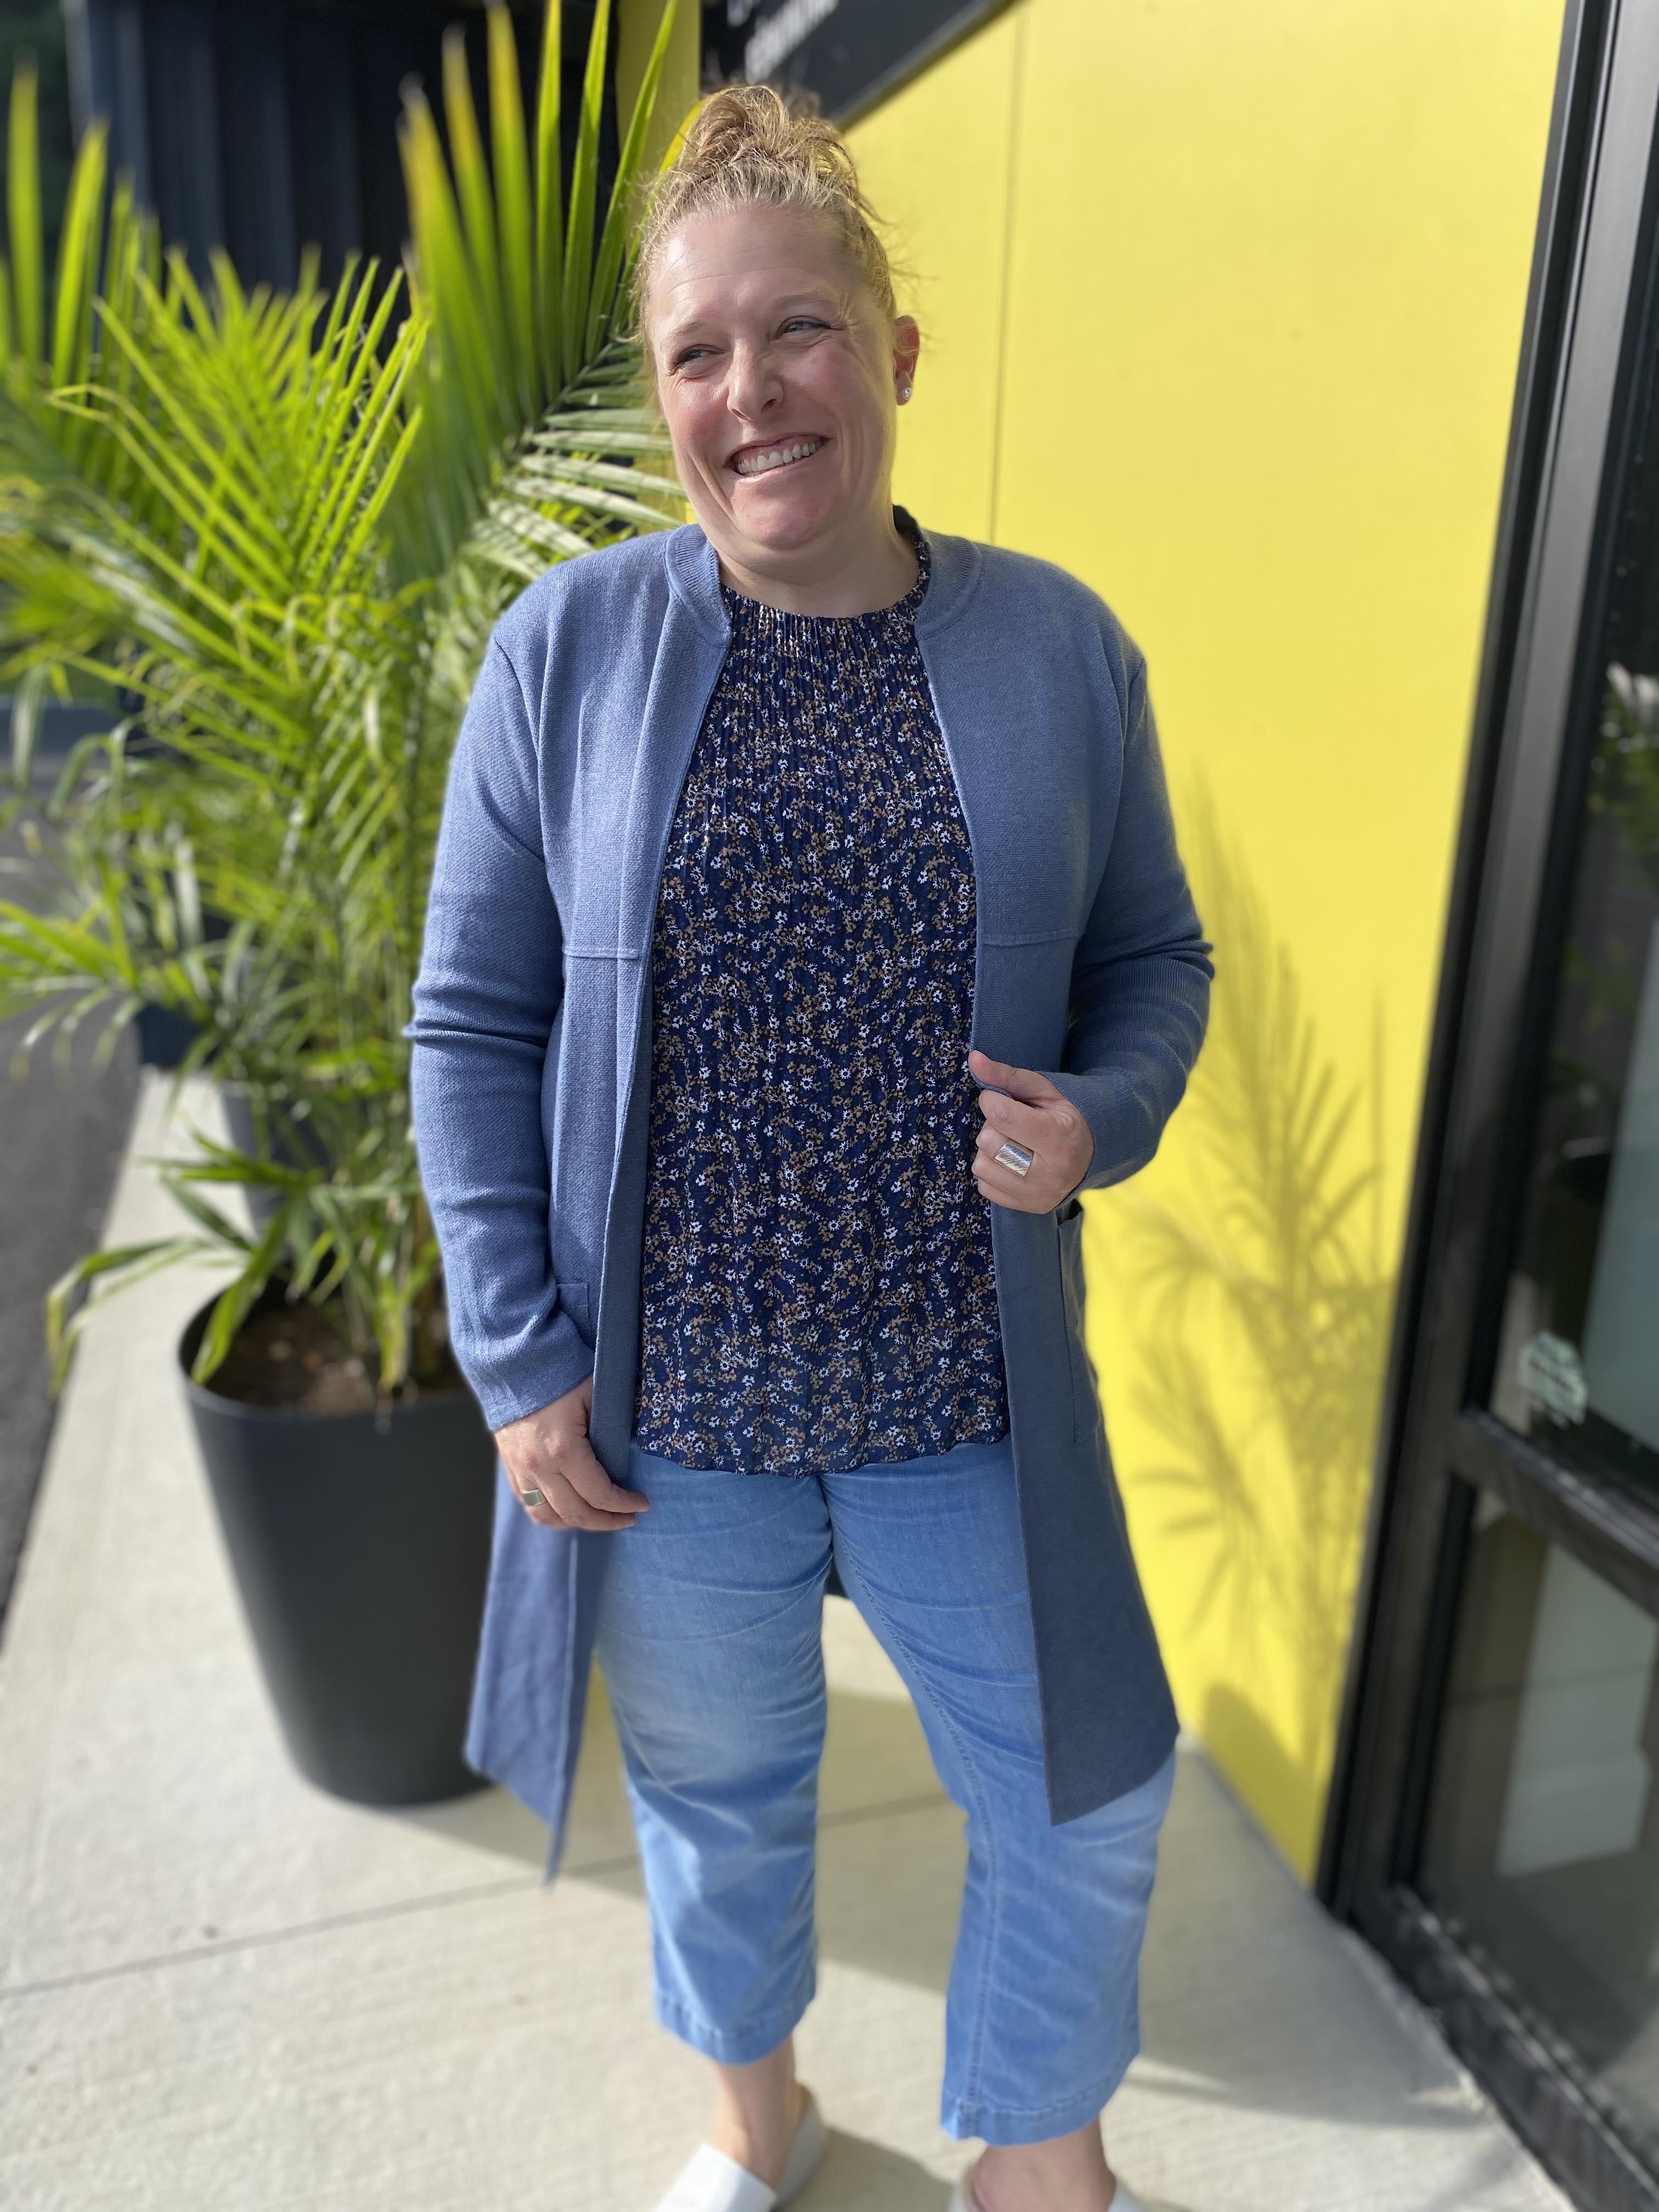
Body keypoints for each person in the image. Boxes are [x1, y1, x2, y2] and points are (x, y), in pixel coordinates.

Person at [408, 84, 1212, 2212]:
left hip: (967, 1400)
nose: (750, 390)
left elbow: (1157, 958)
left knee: (1084, 1791)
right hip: (675, 1426)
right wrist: (518, 1357)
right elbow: (472, 1021)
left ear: (896, 351)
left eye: (799, 331)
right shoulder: (567, 654)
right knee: (721, 1802)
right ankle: (756, 2127)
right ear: (666, 400)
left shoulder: (1061, 648)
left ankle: (1037, 2167)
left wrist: (1103, 1117)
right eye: (699, 352)